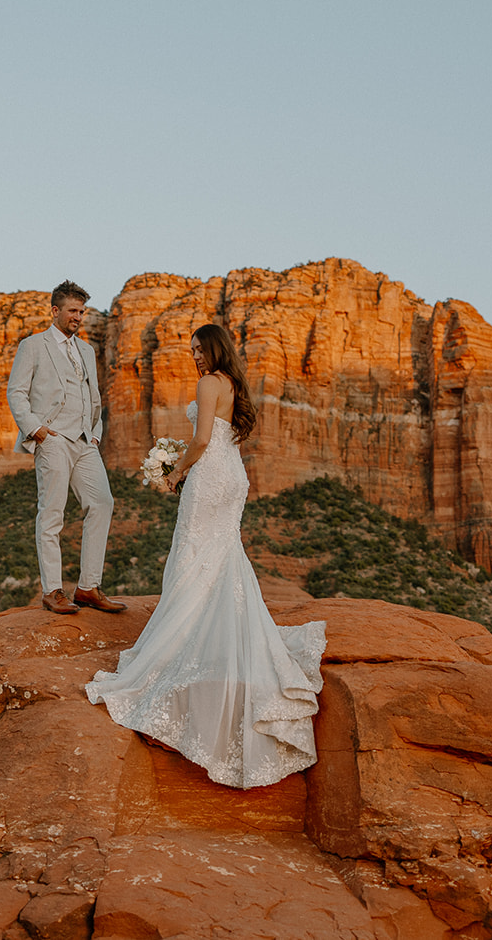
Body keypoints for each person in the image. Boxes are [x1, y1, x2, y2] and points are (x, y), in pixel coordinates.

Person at [85, 323, 326, 788]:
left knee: (194, 554)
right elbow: (221, 435)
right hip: (232, 477)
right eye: (191, 351)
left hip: (209, 476)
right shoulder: (232, 384)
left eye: (199, 349)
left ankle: (183, 641)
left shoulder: (207, 382)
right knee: (221, 556)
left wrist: (174, 472)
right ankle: (221, 634)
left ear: (214, 348)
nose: (194, 356)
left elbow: (199, 441)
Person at [6, 280, 126, 615]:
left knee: (102, 502)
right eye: (73, 311)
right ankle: (52, 590)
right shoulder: (33, 346)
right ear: (55, 310)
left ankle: (88, 587)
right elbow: (16, 391)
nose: (78, 317)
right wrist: (37, 430)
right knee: (52, 513)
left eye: (82, 311)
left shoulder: (87, 350)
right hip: (53, 438)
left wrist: (96, 433)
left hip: (86, 441)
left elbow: (95, 398)